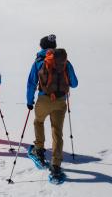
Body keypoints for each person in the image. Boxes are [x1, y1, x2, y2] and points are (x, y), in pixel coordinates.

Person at [26, 34, 78, 180]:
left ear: (42, 47)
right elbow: (74, 83)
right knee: (57, 131)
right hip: (60, 101)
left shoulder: (38, 61)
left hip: (43, 99)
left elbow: (31, 83)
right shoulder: (65, 62)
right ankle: (55, 166)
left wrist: (29, 101)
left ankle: (39, 150)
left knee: (38, 121)